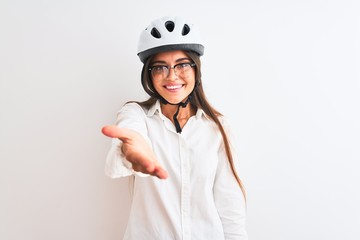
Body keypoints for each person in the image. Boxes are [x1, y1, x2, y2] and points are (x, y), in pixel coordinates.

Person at [102, 16, 248, 240]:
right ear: (149, 75)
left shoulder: (217, 126)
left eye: (182, 65)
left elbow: (229, 206)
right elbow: (123, 150)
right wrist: (132, 152)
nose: (172, 76)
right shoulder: (136, 114)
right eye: (160, 67)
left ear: (195, 69)